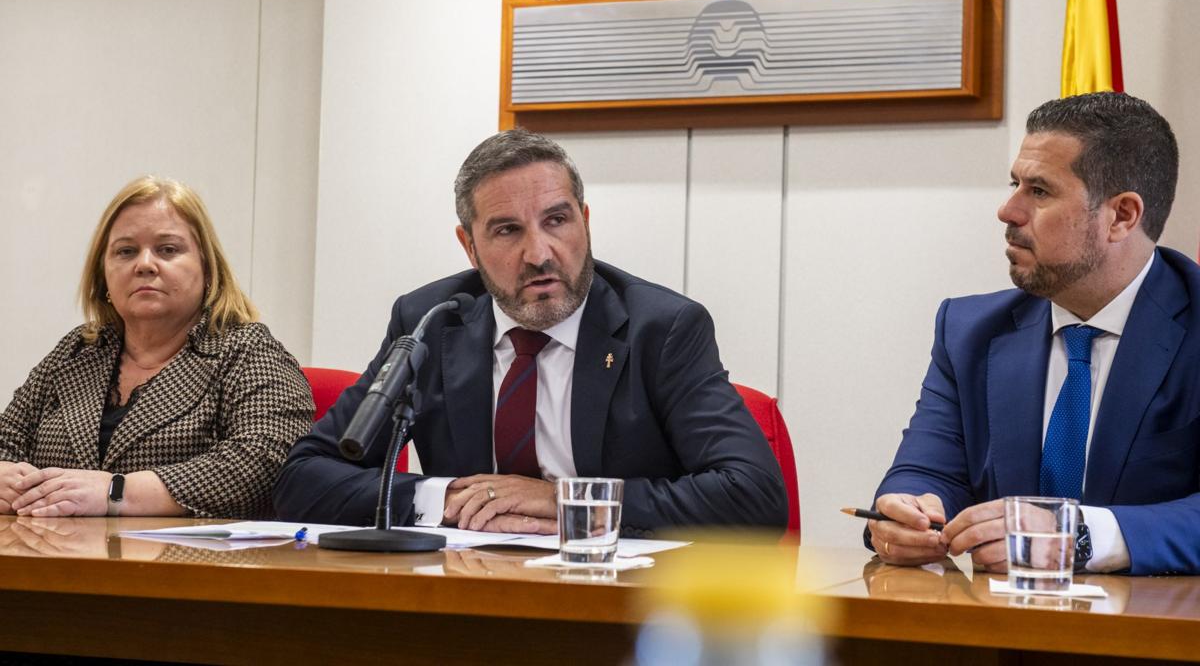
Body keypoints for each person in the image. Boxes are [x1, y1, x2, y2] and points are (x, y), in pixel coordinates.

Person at [274, 129, 787, 534]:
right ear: (469, 247)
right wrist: (447, 498)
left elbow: (753, 494)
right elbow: (305, 478)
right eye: (507, 230)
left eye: (557, 220)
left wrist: (568, 501)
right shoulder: (432, 321)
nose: (539, 253)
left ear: (585, 221)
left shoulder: (662, 328)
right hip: (468, 594)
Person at [868, 91, 1200, 576]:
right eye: (1014, 185)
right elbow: (929, 471)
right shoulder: (970, 331)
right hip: (1001, 633)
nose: (1008, 210)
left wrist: (1079, 536)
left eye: (1039, 192)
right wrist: (906, 514)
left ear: (1122, 216)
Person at [0, 176, 314, 519]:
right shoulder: (78, 350)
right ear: (103, 275)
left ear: (207, 269)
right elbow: (9, 438)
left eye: (168, 250)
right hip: (52, 562)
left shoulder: (248, 351)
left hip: (187, 565)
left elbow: (266, 462)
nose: (145, 264)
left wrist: (116, 493)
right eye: (126, 251)